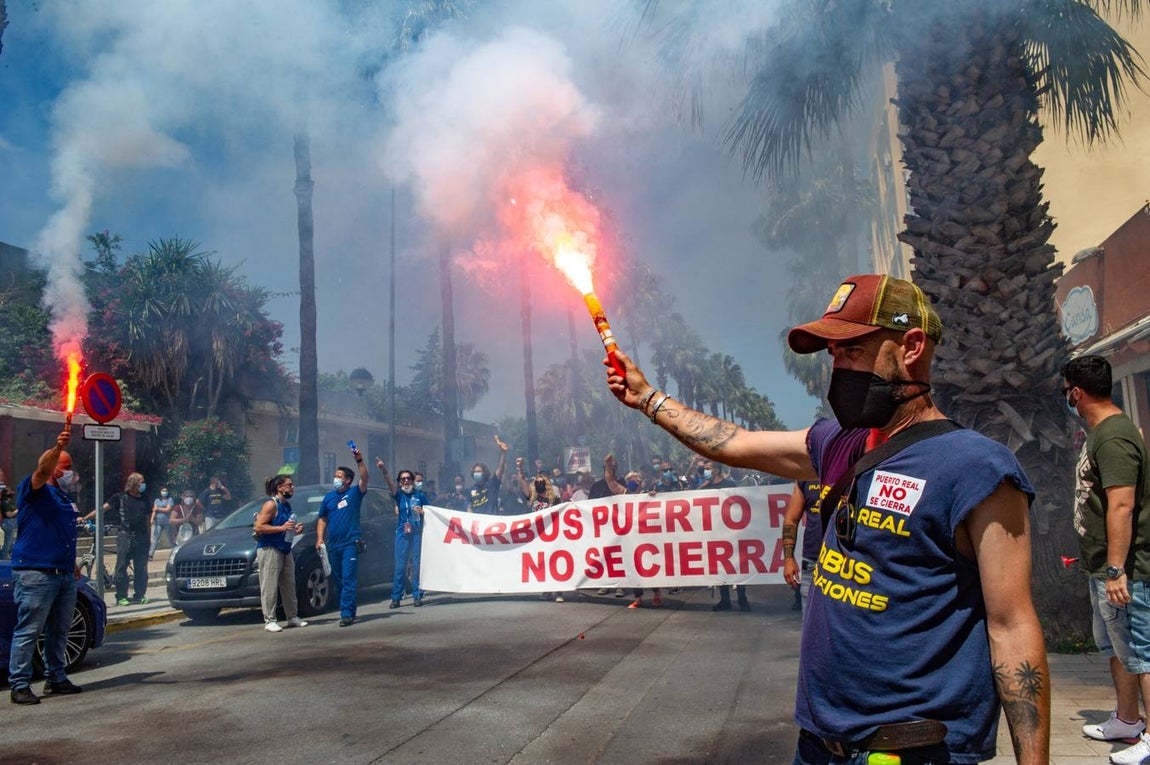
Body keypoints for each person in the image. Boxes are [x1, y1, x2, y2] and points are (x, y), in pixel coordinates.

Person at [606, 273, 1049, 764]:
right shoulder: (839, 443)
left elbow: (1011, 626)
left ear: (911, 347)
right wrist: (647, 398)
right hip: (819, 746)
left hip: (912, 752)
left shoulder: (976, 468)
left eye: (852, 349)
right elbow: (735, 443)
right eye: (833, 356)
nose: (837, 368)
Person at [1063, 354, 1150, 763]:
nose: (1068, 399)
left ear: (1076, 392)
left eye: (1067, 392)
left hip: (1125, 571)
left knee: (1143, 653)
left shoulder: (1113, 436)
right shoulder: (1104, 432)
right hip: (1103, 567)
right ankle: (1128, 720)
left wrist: (1117, 570)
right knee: (1116, 648)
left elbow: (1121, 506)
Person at [7, 429, 85, 705]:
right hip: (35, 573)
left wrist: (72, 563)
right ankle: (19, 684)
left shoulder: (64, 499)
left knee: (59, 629)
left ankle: (56, 677)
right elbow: (41, 470)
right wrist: (57, 447)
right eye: (66, 468)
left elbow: (62, 533)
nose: (71, 473)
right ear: (54, 469)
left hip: (62, 572)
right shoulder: (33, 490)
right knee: (29, 630)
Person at [315, 451, 369, 627]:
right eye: (335, 476)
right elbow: (322, 519)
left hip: (349, 545)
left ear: (347, 480)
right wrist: (319, 539)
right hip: (333, 546)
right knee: (337, 579)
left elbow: (364, 477)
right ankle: (345, 609)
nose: (335, 479)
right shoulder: (329, 497)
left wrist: (359, 460)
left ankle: (347, 613)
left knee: (348, 579)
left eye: (339, 476)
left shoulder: (354, 493)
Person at [253, 474, 308, 633]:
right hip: (270, 548)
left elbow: (285, 527)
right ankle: (269, 619)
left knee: (289, 584)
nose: (292, 488)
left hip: (285, 548)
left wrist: (294, 530)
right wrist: (281, 528)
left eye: (292, 485)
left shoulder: (287, 505)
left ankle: (292, 617)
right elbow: (259, 527)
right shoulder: (271, 505)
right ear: (279, 487)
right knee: (269, 586)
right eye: (289, 485)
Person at [376, 459, 427, 612]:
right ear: (400, 482)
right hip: (402, 534)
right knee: (400, 566)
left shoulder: (420, 496)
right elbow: (389, 484)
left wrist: (423, 512)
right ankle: (396, 597)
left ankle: (417, 594)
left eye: (408, 479)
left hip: (417, 533)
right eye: (403, 479)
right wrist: (384, 469)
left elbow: (431, 512)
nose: (406, 481)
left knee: (417, 565)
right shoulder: (399, 496)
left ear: (412, 481)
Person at [105, 472, 151, 606]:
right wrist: (86, 518)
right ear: (134, 483)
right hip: (125, 535)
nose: (143, 484)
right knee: (121, 566)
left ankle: (140, 595)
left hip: (142, 537)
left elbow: (147, 520)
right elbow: (103, 508)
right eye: (141, 481)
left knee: (141, 568)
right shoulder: (120, 497)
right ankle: (121, 596)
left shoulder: (145, 499)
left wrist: (149, 537)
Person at [782, 478, 826, 614]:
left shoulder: (849, 469)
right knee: (810, 620)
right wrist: (788, 559)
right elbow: (791, 520)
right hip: (812, 562)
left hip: (846, 562)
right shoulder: (806, 477)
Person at [468, 435, 508, 514]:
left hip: (492, 523)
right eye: (475, 472)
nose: (477, 473)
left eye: (479, 471)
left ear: (484, 473)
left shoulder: (491, 484)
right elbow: (469, 507)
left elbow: (500, 470)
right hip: (478, 524)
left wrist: (503, 454)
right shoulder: (470, 490)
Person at [149, 486, 175, 560]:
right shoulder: (157, 500)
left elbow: (168, 509)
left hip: (167, 522)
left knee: (170, 538)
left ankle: (175, 552)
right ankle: (150, 555)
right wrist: (152, 519)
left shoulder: (170, 499)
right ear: (160, 492)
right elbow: (154, 510)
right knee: (155, 538)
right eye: (163, 491)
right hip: (158, 522)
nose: (164, 492)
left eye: (166, 491)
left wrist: (158, 509)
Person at [0, 467, 17, 561]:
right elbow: (9, 514)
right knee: (7, 544)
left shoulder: (8, 501)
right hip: (7, 522)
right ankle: (3, 560)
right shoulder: (5, 502)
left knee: (10, 543)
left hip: (9, 522)